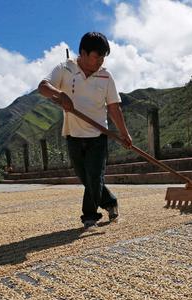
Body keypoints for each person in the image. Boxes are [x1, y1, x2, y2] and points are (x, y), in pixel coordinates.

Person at [38, 32, 132, 229]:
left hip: (98, 136)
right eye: (96, 56)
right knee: (86, 178)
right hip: (73, 134)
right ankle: (110, 201)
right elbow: (43, 87)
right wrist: (59, 94)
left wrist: (124, 133)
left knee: (94, 176)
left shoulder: (106, 76)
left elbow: (114, 107)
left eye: (103, 57)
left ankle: (89, 216)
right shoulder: (65, 68)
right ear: (83, 52)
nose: (99, 61)